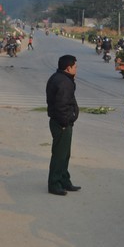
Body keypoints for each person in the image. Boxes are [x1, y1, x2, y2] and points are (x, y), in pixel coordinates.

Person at [46, 55, 80, 196]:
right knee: (59, 155)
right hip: (62, 124)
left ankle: (64, 180)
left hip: (62, 122)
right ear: (68, 68)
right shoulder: (64, 82)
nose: (76, 69)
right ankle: (54, 184)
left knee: (65, 154)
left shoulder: (59, 78)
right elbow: (61, 106)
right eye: (75, 67)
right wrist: (65, 123)